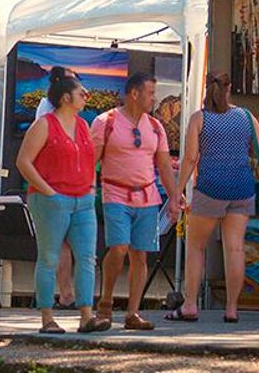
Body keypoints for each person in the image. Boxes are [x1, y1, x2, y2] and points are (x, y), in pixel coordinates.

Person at [168, 73, 259, 324]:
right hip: (241, 187)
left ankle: (190, 304)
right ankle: (232, 309)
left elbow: (190, 158)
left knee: (196, 246)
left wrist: (177, 191)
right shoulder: (246, 116)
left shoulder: (200, 118)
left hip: (210, 187)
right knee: (235, 248)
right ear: (229, 88)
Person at [17, 70, 106, 334]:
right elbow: (23, 161)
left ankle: (86, 316)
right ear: (66, 98)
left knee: (87, 257)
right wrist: (48, 192)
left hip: (83, 200)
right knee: (49, 257)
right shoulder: (44, 124)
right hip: (51, 200)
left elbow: (90, 159)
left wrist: (91, 187)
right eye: (81, 93)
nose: (86, 96)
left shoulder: (83, 125)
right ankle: (47, 317)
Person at [91, 72, 179, 331]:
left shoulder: (155, 126)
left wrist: (174, 197)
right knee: (119, 247)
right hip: (115, 194)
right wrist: (83, 190)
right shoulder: (105, 122)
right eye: (150, 93)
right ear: (134, 94)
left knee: (140, 255)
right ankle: (105, 303)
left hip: (148, 197)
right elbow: (90, 160)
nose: (154, 98)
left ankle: (132, 312)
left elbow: (164, 165)